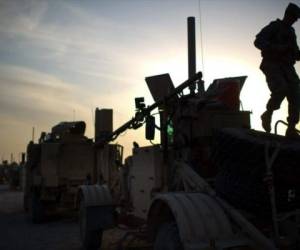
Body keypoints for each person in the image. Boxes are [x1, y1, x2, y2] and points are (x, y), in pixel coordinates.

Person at [254, 2, 300, 137]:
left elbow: (295, 53)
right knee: (281, 88)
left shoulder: (291, 32)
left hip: (287, 67)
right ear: (288, 15)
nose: (296, 20)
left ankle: (291, 128)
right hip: (272, 64)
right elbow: (258, 41)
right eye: (295, 17)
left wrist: (296, 53)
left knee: (295, 93)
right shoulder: (275, 26)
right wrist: (275, 48)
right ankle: (268, 114)